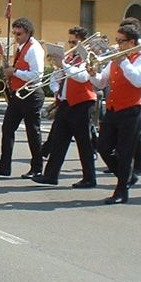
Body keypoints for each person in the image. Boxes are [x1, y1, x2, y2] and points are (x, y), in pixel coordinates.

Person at [93, 23, 141, 204]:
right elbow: (102, 82)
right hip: (113, 108)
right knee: (103, 146)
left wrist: (123, 62)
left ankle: (121, 192)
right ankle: (125, 177)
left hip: (131, 109)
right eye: (117, 40)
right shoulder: (116, 58)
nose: (117, 44)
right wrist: (91, 74)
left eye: (121, 41)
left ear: (132, 42)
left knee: (125, 151)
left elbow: (138, 80)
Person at [33, 27, 97, 189]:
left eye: (74, 42)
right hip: (66, 103)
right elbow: (59, 77)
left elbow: (82, 77)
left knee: (84, 143)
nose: (71, 45)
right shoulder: (69, 57)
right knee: (58, 141)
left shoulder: (88, 57)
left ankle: (89, 177)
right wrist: (57, 78)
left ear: (83, 42)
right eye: (69, 42)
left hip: (82, 103)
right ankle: (50, 175)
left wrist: (63, 64)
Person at [0, 17, 45, 179]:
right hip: (18, 94)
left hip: (31, 94)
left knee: (32, 132)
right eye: (14, 33)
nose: (16, 37)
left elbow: (37, 75)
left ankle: (37, 167)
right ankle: (4, 166)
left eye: (18, 34)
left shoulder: (34, 49)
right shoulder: (22, 46)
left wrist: (15, 72)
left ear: (27, 32)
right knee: (7, 129)